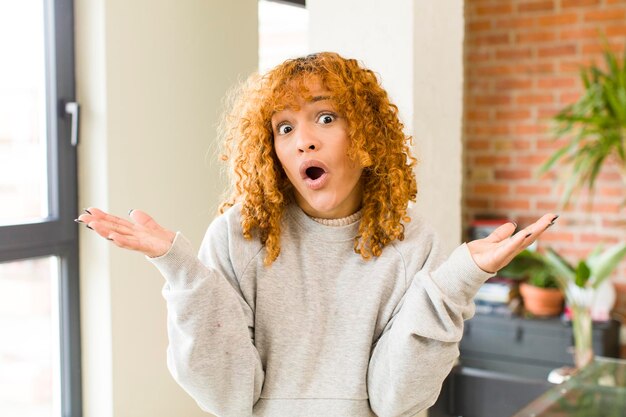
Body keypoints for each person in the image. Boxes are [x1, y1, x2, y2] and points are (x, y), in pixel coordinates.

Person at [77, 52, 557, 417]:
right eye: (284, 127)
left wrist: (457, 280)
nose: (303, 138)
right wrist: (180, 269)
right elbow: (228, 395)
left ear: (367, 137)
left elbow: (397, 400)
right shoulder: (236, 237)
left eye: (325, 118)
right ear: (272, 151)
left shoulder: (413, 243)